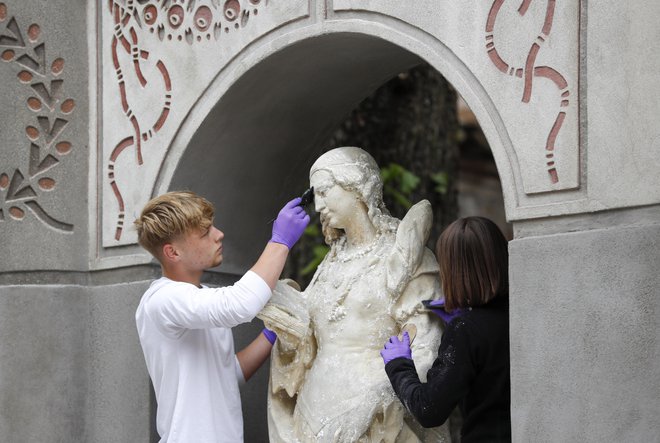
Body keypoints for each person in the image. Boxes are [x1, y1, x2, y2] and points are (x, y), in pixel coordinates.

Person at [258, 147, 450, 442]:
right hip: (312, 410)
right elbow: (308, 341)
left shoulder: (405, 257)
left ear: (356, 186)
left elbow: (426, 341)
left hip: (377, 414)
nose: (318, 205)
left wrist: (378, 397)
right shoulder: (330, 264)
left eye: (324, 191)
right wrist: (288, 325)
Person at [133, 190, 309, 443]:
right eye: (205, 233)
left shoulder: (200, 298)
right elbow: (239, 304)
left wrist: (272, 332)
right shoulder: (162, 300)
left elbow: (226, 375)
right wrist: (280, 242)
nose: (219, 235)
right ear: (173, 253)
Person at [381, 216, 511, 442]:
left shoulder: (465, 330)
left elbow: (429, 409)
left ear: (455, 272)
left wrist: (398, 364)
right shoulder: (524, 314)